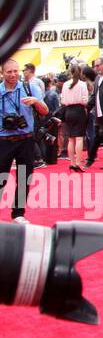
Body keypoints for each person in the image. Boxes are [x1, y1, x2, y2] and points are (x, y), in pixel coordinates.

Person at [0, 58, 49, 223]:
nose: (13, 75)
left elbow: (45, 111)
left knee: (24, 177)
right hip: (3, 139)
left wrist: (36, 102)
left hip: (26, 139)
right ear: (2, 73)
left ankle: (18, 213)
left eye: (16, 71)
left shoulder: (29, 87)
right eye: (9, 72)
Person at [60, 65, 90, 171]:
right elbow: (85, 100)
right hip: (79, 111)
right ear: (80, 72)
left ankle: (72, 163)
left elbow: (63, 100)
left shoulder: (65, 84)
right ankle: (78, 163)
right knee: (79, 138)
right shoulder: (82, 84)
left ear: (70, 72)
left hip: (68, 111)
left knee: (71, 138)